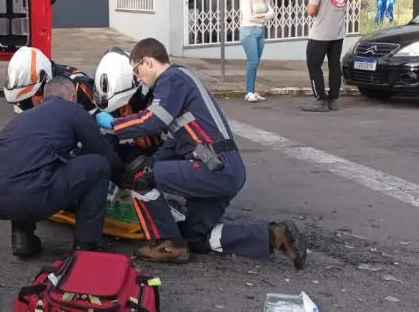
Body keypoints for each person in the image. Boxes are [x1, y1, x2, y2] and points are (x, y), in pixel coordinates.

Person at [94, 38, 307, 269]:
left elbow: (153, 120)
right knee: (196, 238)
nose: (137, 78)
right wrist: (154, 160)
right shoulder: (183, 80)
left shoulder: (171, 78)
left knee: (141, 178)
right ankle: (275, 235)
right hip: (225, 168)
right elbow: (177, 141)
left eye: (136, 71)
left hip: (212, 167)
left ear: (147, 62)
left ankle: (168, 245)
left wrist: (114, 125)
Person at [0, 77, 127, 258]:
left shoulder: (25, 117)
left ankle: (22, 238)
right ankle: (87, 245)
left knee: (25, 166)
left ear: (44, 97)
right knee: (100, 166)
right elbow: (101, 151)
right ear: (72, 97)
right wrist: (125, 180)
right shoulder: (73, 111)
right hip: (28, 198)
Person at [93, 46, 162, 165]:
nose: (122, 111)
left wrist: (115, 124)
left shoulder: (158, 97)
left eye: (122, 108)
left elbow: (149, 124)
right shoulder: (117, 78)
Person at [302, 0, 352, 112]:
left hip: (320, 34)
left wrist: (311, 8)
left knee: (314, 65)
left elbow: (311, 10)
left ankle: (320, 100)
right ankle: (333, 100)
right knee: (334, 66)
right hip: (337, 33)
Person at [3, 46, 97, 115]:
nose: (33, 102)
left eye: (34, 95)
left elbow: (92, 131)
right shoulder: (21, 98)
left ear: (45, 81)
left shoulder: (80, 87)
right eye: (25, 100)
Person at [239, 0, 276, 103]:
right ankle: (249, 92)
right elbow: (248, 16)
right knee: (252, 61)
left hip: (260, 30)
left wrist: (261, 16)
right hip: (249, 31)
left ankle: (253, 91)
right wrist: (263, 16)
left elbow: (272, 13)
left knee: (256, 62)